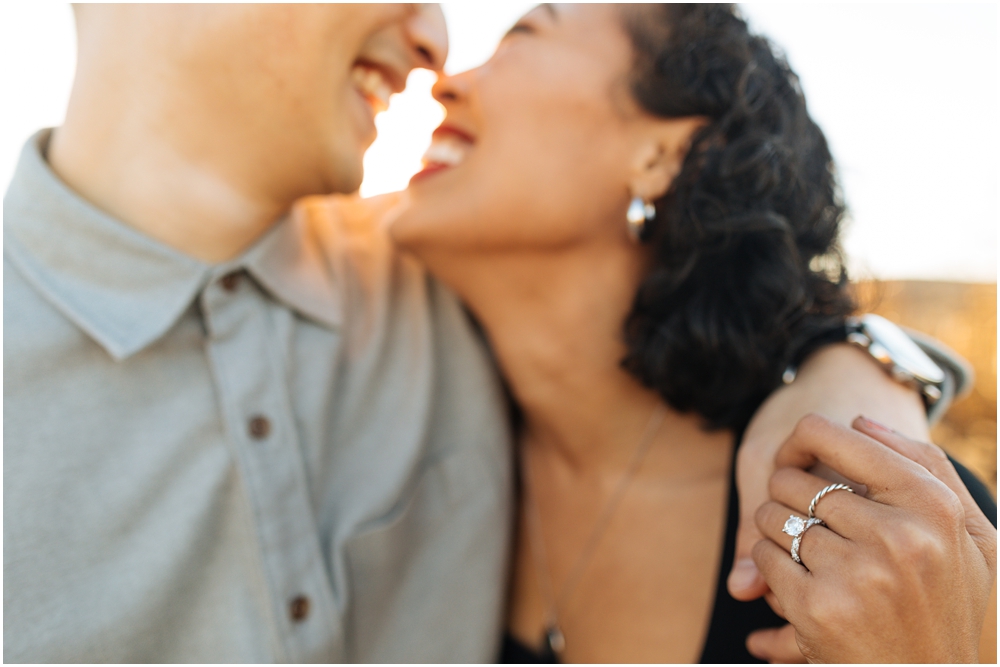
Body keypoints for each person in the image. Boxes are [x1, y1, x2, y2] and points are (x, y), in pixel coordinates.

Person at [1, 3, 980, 663]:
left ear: (660, 150)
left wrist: (851, 375)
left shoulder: (856, 520)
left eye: (523, 29)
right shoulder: (389, 273)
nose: (438, 50)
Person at [381, 3, 997, 662]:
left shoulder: (878, 533)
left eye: (522, 37)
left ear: (662, 154)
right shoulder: (401, 440)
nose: (445, 80)